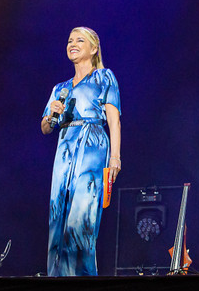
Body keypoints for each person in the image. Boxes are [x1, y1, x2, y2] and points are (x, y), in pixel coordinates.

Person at [42, 26, 122, 276]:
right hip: (65, 148)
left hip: (92, 146)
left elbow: (114, 120)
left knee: (81, 217)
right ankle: (57, 276)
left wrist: (115, 156)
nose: (72, 44)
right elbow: (45, 127)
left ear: (94, 48)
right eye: (69, 41)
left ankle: (81, 278)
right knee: (58, 214)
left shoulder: (104, 77)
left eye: (79, 40)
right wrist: (52, 114)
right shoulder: (60, 88)